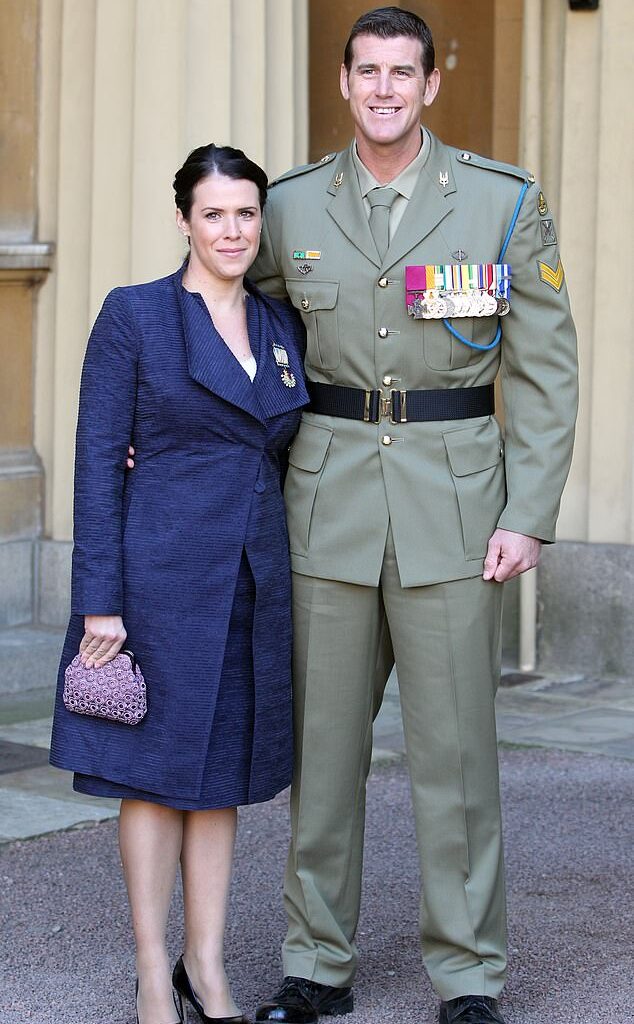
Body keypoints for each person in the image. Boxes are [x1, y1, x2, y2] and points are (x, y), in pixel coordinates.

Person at [249, 8, 578, 1024]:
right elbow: (243, 335)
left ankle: (469, 973)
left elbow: (546, 370)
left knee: (457, 758)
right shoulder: (290, 208)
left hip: (456, 505)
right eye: (368, 72)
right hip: (328, 500)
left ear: (431, 85)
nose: (385, 89)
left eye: (404, 72)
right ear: (342, 84)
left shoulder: (500, 202)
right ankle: (316, 960)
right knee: (323, 751)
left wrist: (528, 511)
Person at [49, 143, 308, 1024]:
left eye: (246, 213)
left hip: (250, 578)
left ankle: (209, 961)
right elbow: (95, 462)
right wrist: (100, 601)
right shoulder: (137, 316)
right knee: (155, 775)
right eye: (215, 213)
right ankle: (154, 969)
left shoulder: (280, 326)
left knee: (221, 777)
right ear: (184, 220)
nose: (232, 230)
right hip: (156, 581)